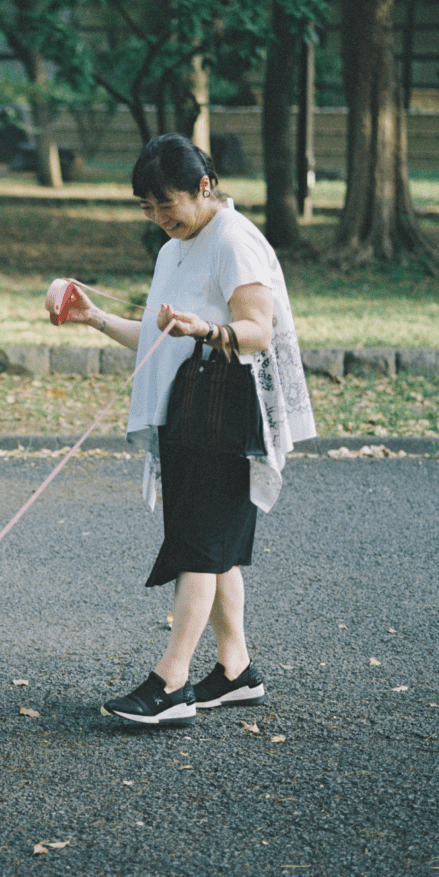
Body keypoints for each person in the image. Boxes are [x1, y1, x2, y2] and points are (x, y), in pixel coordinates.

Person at [46, 133, 315, 727]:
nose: (158, 217)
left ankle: (171, 683)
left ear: (203, 187)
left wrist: (205, 332)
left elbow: (258, 332)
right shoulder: (174, 249)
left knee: (198, 543)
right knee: (214, 548)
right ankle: (236, 671)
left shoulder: (234, 241)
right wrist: (93, 317)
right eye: (147, 207)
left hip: (230, 410)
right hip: (188, 409)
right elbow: (156, 341)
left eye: (165, 204)